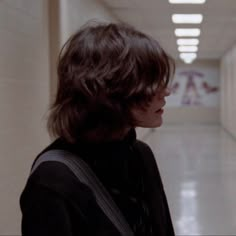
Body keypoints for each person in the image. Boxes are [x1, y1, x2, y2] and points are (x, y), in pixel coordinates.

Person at [20, 22, 175, 236]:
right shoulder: (53, 180)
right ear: (111, 90)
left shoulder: (141, 154)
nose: (166, 91)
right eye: (150, 82)